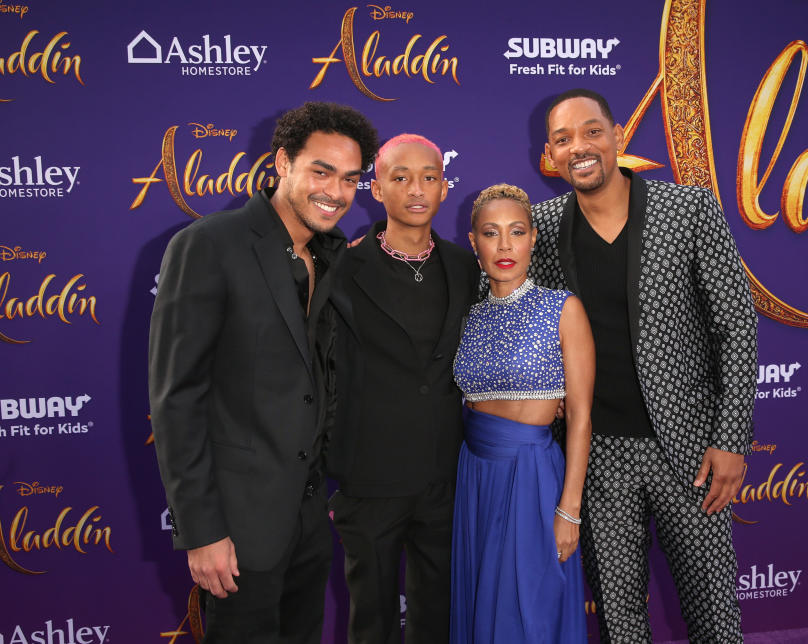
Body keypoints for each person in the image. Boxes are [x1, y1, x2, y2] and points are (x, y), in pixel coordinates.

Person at [530, 89, 758, 643]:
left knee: (714, 617)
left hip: (688, 452)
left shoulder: (689, 210)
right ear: (550, 155)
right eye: (563, 139)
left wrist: (731, 440)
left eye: (591, 131)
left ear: (617, 137)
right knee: (620, 621)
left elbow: (737, 326)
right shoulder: (540, 228)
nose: (579, 147)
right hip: (597, 457)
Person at [149, 101, 378, 643]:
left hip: (306, 520)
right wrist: (202, 531)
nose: (336, 192)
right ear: (282, 163)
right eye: (321, 171)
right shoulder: (209, 244)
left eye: (350, 179)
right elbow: (176, 399)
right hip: (236, 527)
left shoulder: (330, 255)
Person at [326, 134, 481, 644]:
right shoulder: (341, 269)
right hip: (369, 480)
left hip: (445, 475)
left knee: (438, 617)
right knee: (371, 621)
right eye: (401, 177)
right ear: (376, 189)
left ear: (443, 188)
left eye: (429, 178)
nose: (417, 190)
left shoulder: (465, 267)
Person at [450, 184, 594, 643]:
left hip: (532, 477)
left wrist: (569, 511)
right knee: (481, 606)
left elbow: (581, 418)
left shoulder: (562, 308)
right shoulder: (468, 316)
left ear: (534, 237)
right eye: (491, 233)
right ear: (474, 243)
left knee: (527, 610)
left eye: (517, 231)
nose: (505, 245)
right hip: (474, 475)